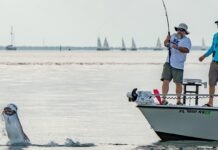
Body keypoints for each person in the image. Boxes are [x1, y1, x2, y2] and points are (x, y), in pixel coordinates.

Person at [161, 23, 192, 105]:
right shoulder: (172, 36)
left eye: (182, 30)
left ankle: (178, 101)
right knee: (165, 81)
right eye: (178, 29)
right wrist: (167, 41)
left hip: (178, 65)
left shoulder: (187, 40)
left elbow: (186, 50)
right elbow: (165, 44)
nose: (179, 31)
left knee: (178, 83)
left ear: (185, 32)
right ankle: (163, 99)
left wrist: (177, 47)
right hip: (168, 62)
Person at [199, 20, 218, 107]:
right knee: (211, 83)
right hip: (214, 63)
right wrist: (204, 56)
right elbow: (212, 48)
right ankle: (210, 102)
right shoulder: (215, 35)